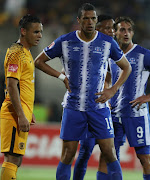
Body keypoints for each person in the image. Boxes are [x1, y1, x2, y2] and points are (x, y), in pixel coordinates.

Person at [34, 3, 131, 180]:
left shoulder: (107, 42)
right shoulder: (65, 41)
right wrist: (62, 77)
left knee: (109, 153)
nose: (90, 22)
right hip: (73, 106)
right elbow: (38, 61)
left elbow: (126, 67)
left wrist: (113, 90)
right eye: (86, 18)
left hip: (99, 107)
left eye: (93, 18)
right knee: (68, 155)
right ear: (78, 20)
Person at [74, 16, 150, 180]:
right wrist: (106, 90)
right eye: (122, 30)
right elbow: (106, 77)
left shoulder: (143, 54)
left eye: (129, 30)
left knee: (144, 158)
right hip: (113, 116)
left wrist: (149, 96)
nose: (126, 33)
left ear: (132, 33)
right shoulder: (110, 53)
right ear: (115, 32)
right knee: (107, 156)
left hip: (136, 115)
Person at [72, 14, 117, 180]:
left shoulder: (114, 49)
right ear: (98, 28)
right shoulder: (90, 49)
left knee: (109, 155)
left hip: (113, 111)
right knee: (85, 152)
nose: (112, 31)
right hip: (93, 108)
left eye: (113, 28)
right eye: (107, 28)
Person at [0, 14, 43, 180]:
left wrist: (26, 110)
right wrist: (20, 114)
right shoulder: (17, 53)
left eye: (40, 32)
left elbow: (22, 86)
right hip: (13, 114)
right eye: (36, 32)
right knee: (12, 158)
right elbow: (11, 85)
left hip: (20, 112)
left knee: (16, 159)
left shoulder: (26, 52)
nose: (40, 35)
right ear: (23, 32)